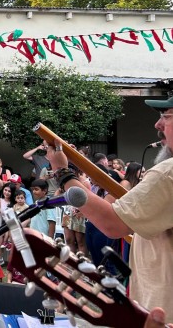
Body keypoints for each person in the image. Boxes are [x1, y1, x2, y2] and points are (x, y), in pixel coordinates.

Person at [45, 96, 173, 323]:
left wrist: (63, 173)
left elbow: (113, 224)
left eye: (166, 116)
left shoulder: (167, 174)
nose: (157, 125)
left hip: (162, 311)